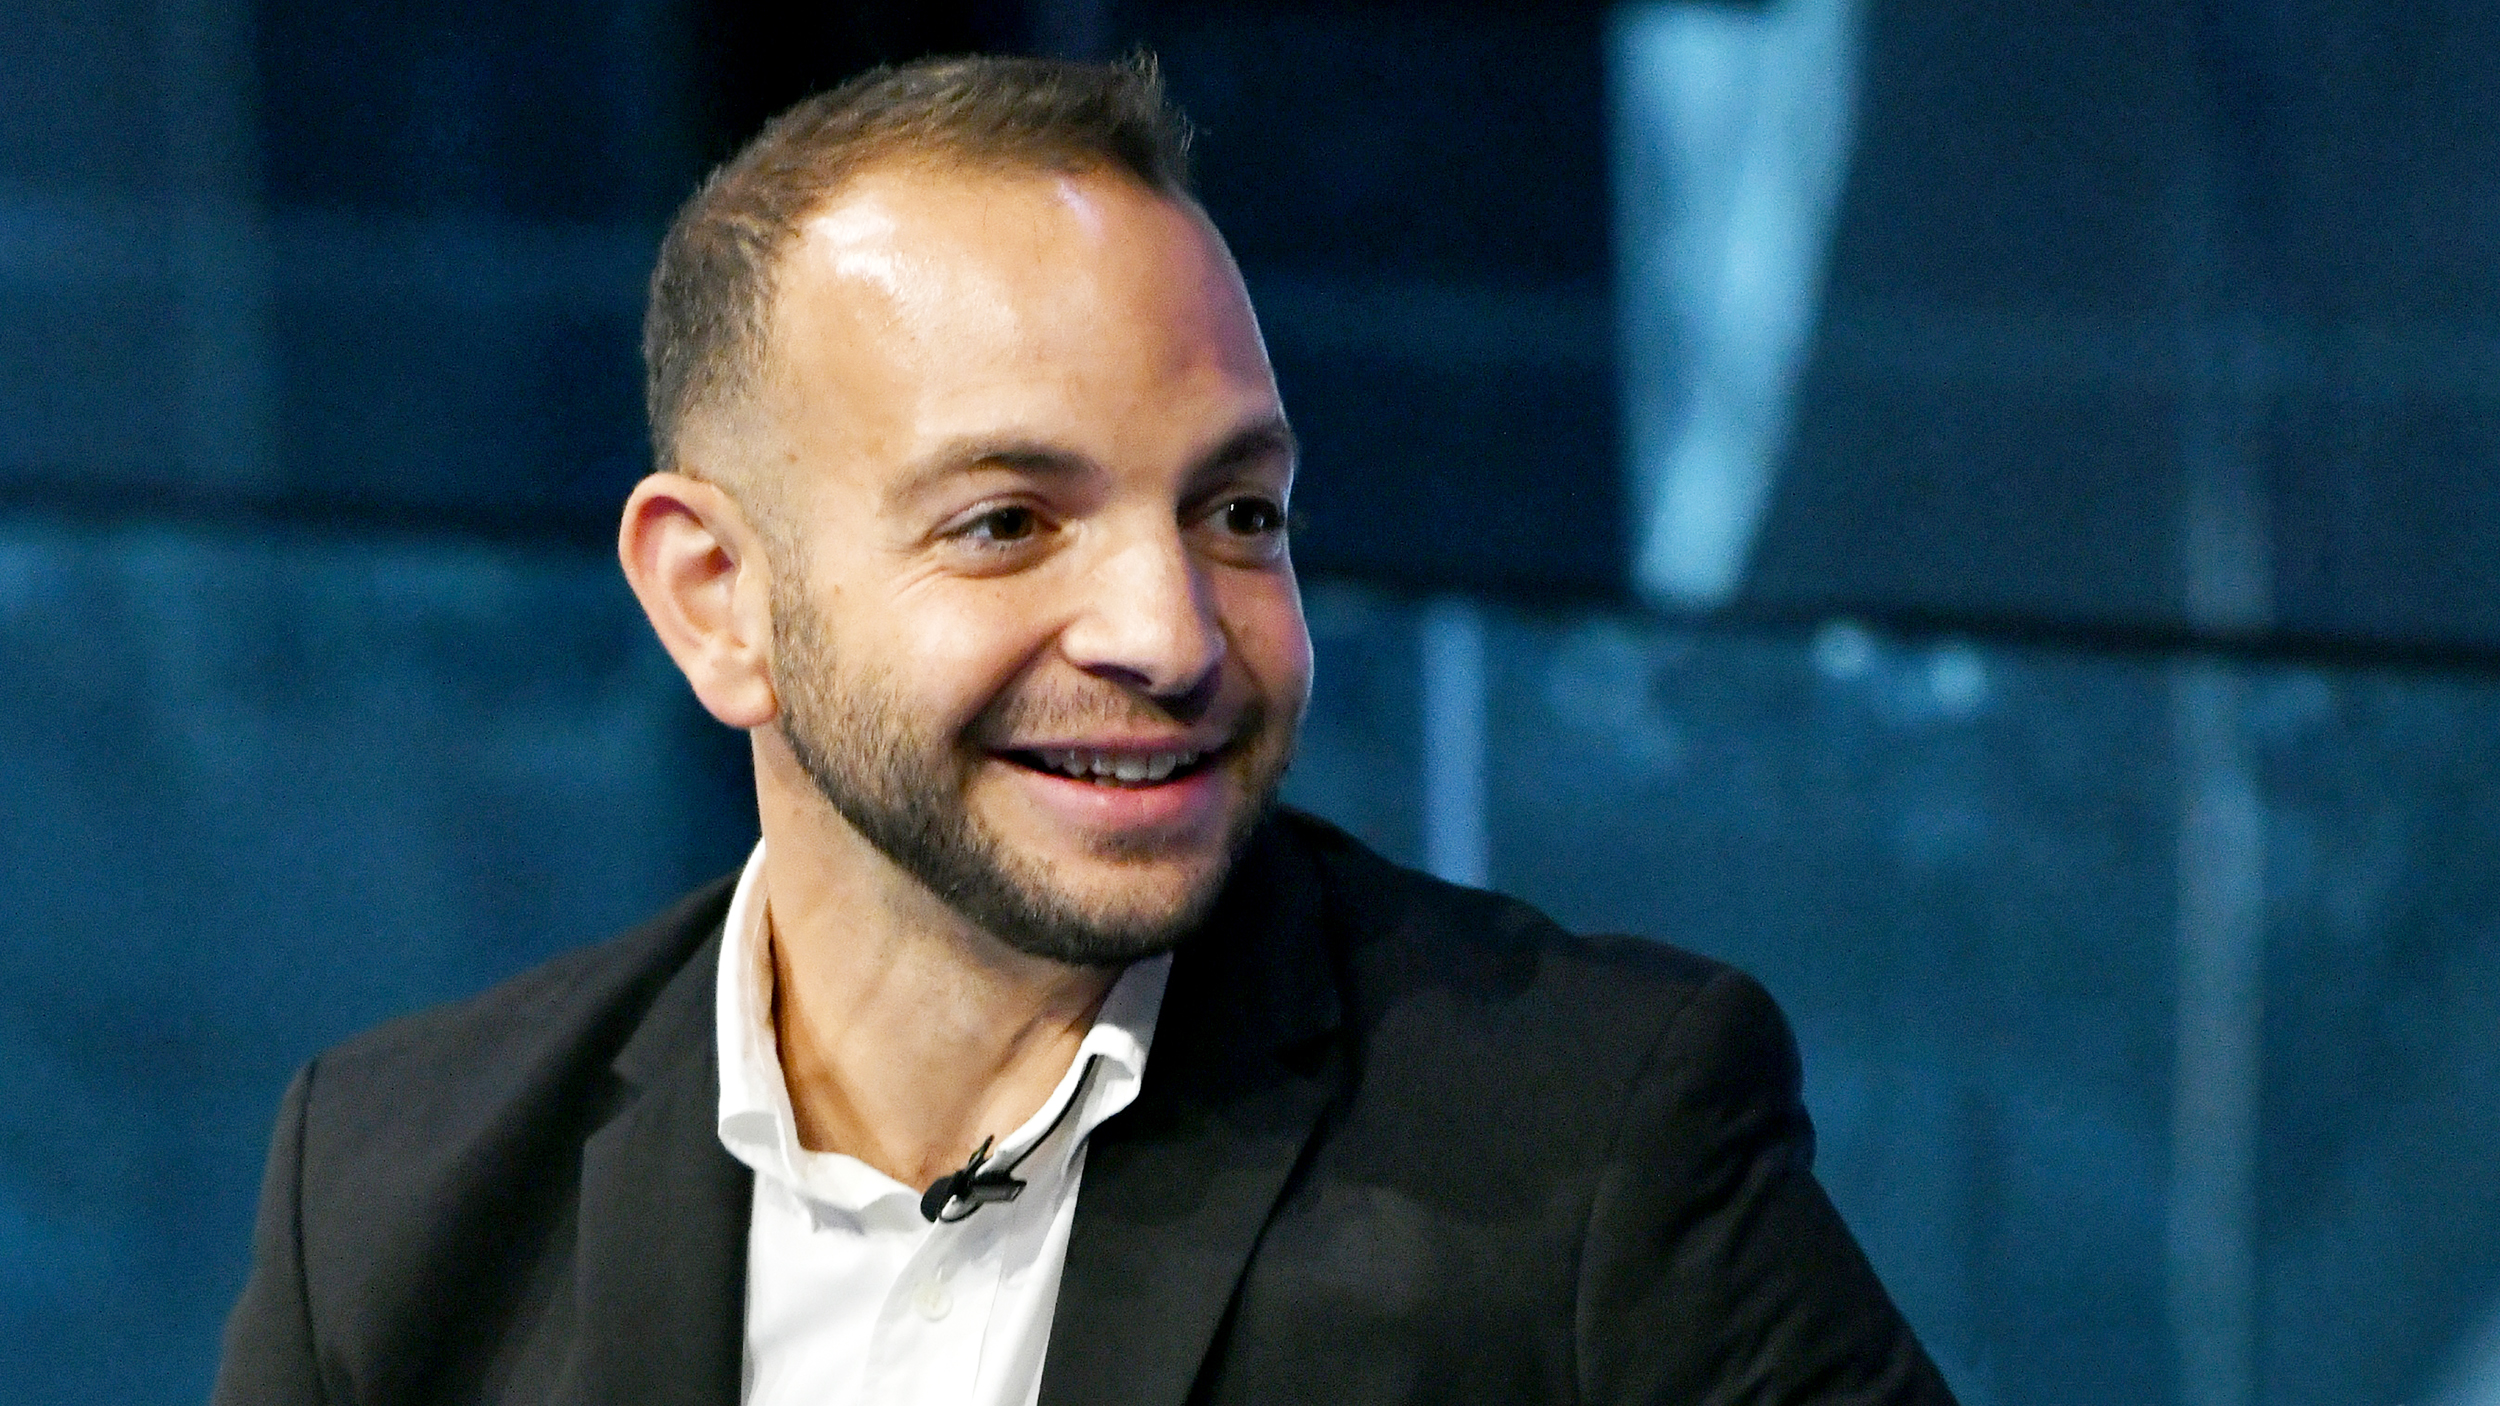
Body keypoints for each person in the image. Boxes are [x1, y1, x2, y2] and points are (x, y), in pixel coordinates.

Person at [212, 53, 1954, 1406]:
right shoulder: (389, 1195)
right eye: (1009, 522)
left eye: (1239, 514)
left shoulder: (1595, 1140)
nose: (1171, 634)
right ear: (714, 594)